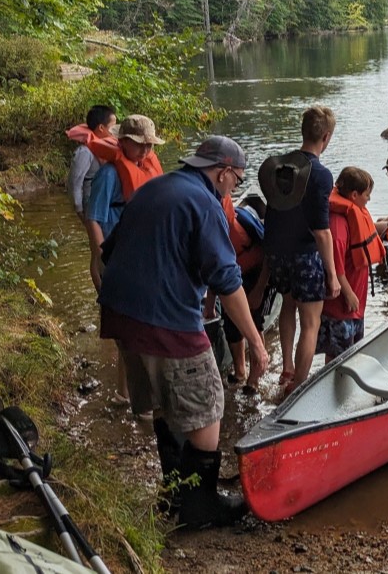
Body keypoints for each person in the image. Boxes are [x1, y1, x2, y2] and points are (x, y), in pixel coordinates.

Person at [98, 135, 268, 528]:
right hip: (166, 320)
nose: (234, 188)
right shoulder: (204, 202)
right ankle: (201, 506)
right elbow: (227, 280)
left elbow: (110, 252)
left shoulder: (154, 187)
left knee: (164, 404)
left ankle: (175, 495)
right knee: (208, 404)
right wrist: (257, 344)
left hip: (121, 316)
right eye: (237, 180)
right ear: (223, 172)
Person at [259, 106, 341, 394]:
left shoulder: (278, 168)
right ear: (326, 137)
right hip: (306, 256)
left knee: (287, 305)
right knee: (311, 323)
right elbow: (321, 231)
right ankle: (298, 389)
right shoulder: (320, 175)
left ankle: (287, 369)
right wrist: (331, 274)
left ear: (303, 131)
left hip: (277, 252)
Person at [85, 114, 164, 406]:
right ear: (124, 142)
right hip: (118, 255)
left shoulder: (145, 166)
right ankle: (126, 392)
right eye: (140, 145)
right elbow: (94, 218)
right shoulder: (109, 175)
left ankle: (131, 391)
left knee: (141, 321)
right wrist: (101, 255)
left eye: (149, 146)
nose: (145, 152)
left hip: (144, 253)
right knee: (128, 326)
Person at [317, 167, 384, 363]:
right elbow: (335, 267)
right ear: (354, 195)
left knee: (353, 353)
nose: (368, 200)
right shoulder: (338, 225)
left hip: (355, 304)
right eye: (366, 195)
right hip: (342, 307)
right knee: (338, 357)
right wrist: (349, 294)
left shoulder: (354, 212)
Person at [218, 194, 276, 390]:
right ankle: (240, 371)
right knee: (231, 324)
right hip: (234, 276)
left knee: (254, 320)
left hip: (257, 273)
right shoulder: (212, 235)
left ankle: (254, 379)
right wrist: (209, 309)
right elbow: (213, 272)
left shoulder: (244, 228)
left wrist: (259, 289)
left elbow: (269, 257)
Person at [66, 105, 116, 223]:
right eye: (113, 127)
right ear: (101, 128)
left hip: (108, 203)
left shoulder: (112, 147)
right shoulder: (84, 152)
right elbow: (75, 182)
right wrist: (79, 210)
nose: (115, 131)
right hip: (92, 206)